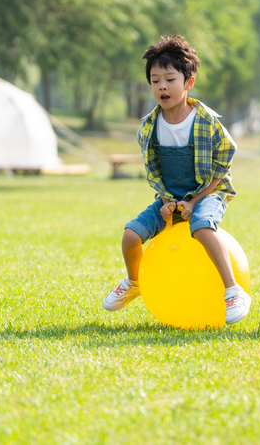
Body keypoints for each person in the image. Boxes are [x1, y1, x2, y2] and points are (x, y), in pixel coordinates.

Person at [102, 35, 252, 325]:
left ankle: (233, 290)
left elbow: (223, 166)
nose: (162, 86)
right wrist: (168, 201)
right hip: (169, 197)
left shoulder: (205, 121)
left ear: (188, 82)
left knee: (202, 225)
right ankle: (134, 282)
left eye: (170, 79)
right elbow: (154, 171)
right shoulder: (149, 126)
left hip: (209, 193)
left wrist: (195, 201)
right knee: (131, 234)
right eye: (155, 80)